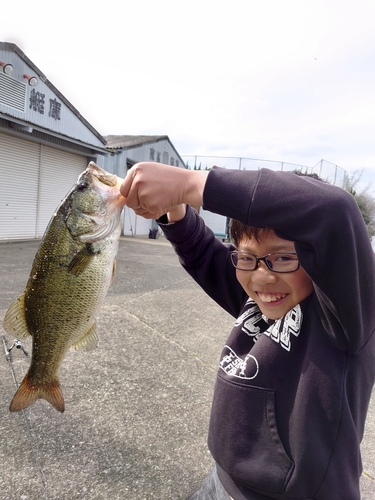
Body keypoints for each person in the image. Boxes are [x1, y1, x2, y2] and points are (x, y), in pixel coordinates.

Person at [121, 162, 375, 500]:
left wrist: (191, 183)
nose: (262, 276)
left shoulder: (345, 315)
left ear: (316, 257)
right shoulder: (260, 297)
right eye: (247, 257)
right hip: (222, 481)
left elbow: (334, 209)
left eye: (283, 258)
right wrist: (175, 212)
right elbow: (204, 254)